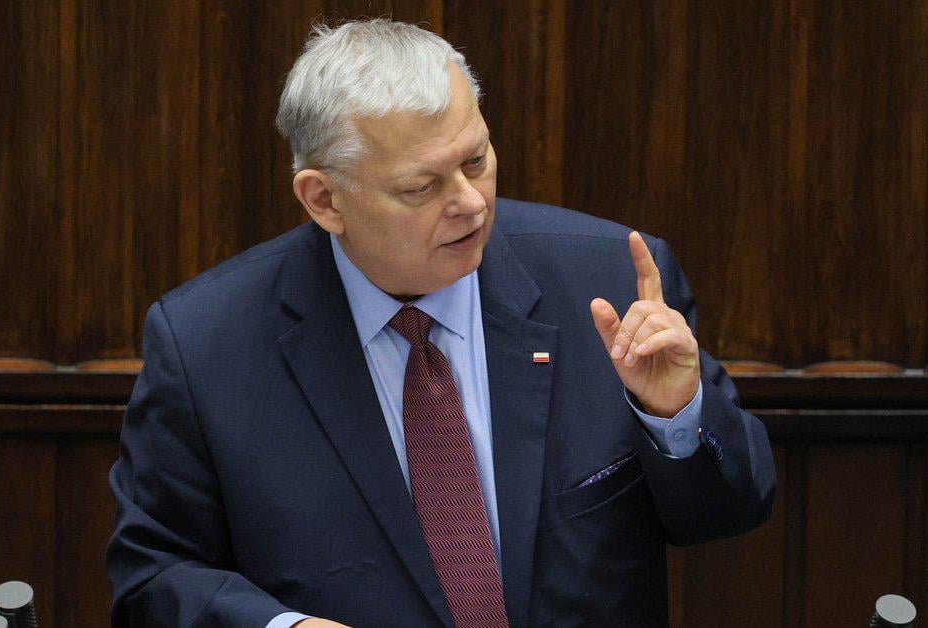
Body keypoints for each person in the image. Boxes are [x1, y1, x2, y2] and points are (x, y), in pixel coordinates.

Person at [107, 19, 775, 628]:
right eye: (421, 187)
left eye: (475, 161)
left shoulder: (610, 284)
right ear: (324, 199)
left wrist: (677, 414)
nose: (470, 203)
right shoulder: (207, 345)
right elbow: (152, 577)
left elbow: (731, 511)